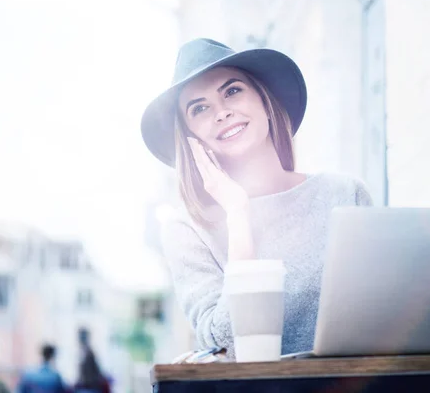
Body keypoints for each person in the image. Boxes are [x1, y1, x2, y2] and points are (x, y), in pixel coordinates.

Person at [140, 38, 373, 359]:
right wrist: (237, 213)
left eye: (232, 91)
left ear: (265, 100)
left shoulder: (344, 195)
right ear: (190, 137)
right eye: (200, 108)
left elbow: (381, 316)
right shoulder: (185, 229)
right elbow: (228, 345)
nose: (221, 112)